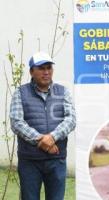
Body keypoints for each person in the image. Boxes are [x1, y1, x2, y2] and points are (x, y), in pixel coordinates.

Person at [10, 52, 76, 200]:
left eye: (49, 68)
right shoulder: (20, 93)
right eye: (41, 68)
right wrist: (41, 140)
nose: (46, 72)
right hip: (30, 161)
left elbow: (71, 119)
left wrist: (52, 137)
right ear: (31, 72)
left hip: (56, 159)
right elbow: (16, 122)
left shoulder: (63, 92)